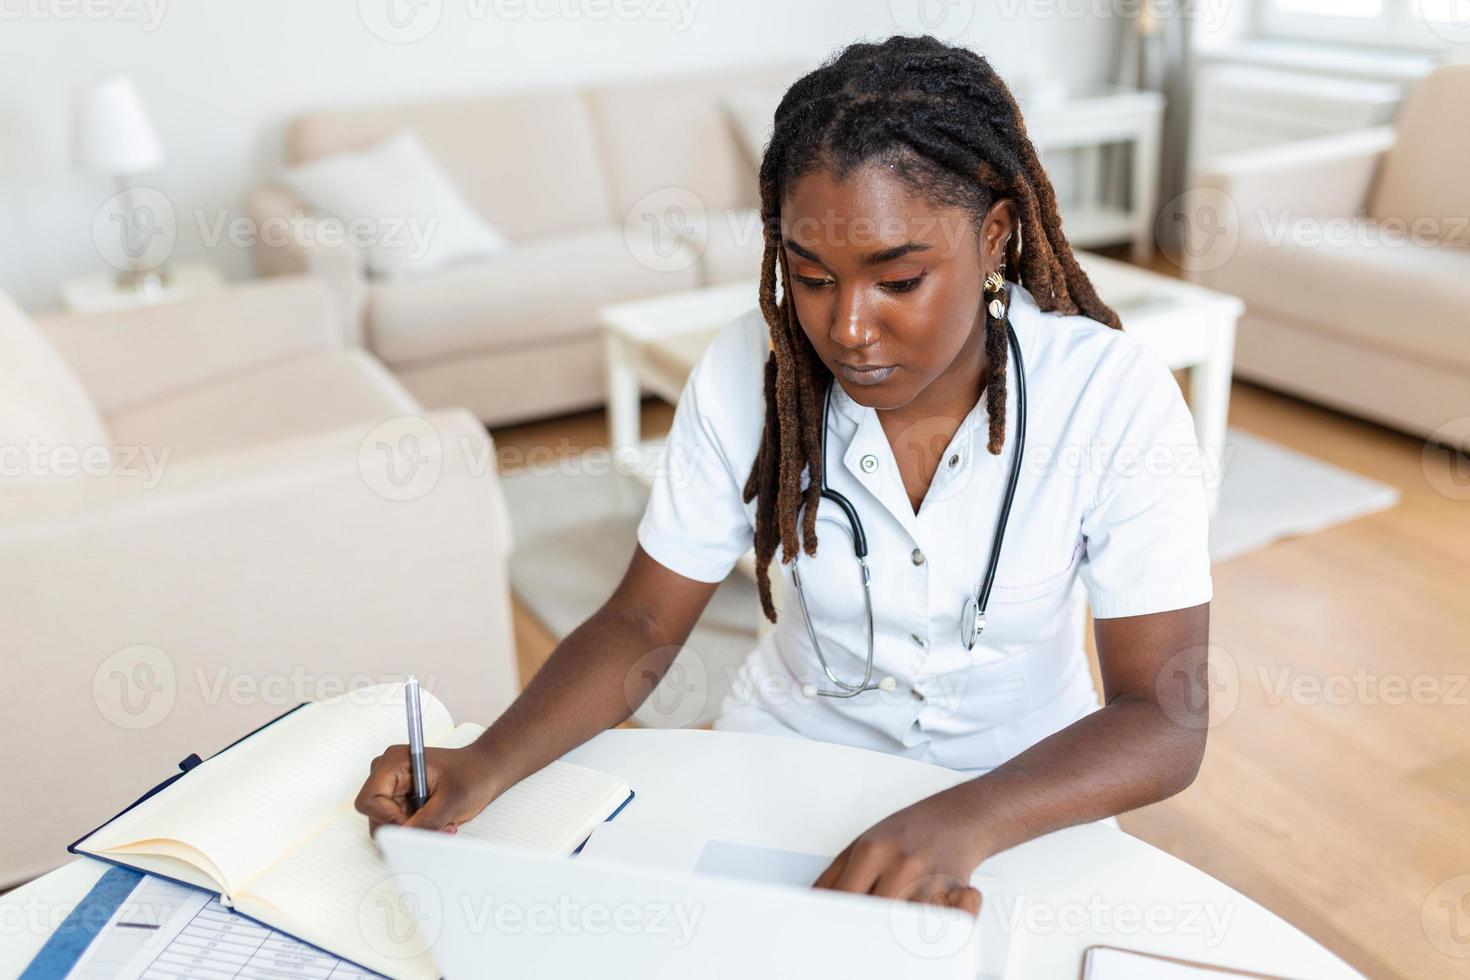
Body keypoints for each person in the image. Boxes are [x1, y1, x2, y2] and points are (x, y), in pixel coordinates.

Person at [356, 34, 1213, 915]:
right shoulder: (747, 376)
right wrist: (484, 763)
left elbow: (1164, 715)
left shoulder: (1112, 397)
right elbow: (642, 618)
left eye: (900, 279)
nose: (847, 328)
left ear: (994, 236)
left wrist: (962, 820)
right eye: (810, 277)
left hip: (1021, 793)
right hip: (783, 759)